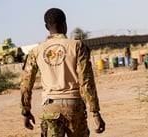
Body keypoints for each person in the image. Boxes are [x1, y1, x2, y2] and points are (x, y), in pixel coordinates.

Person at [20, 8, 105, 137]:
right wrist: (95, 112)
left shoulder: (36, 51)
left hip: (50, 107)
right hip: (74, 107)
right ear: (65, 24)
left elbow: (26, 84)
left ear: (46, 27)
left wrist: (26, 111)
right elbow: (86, 80)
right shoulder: (77, 46)